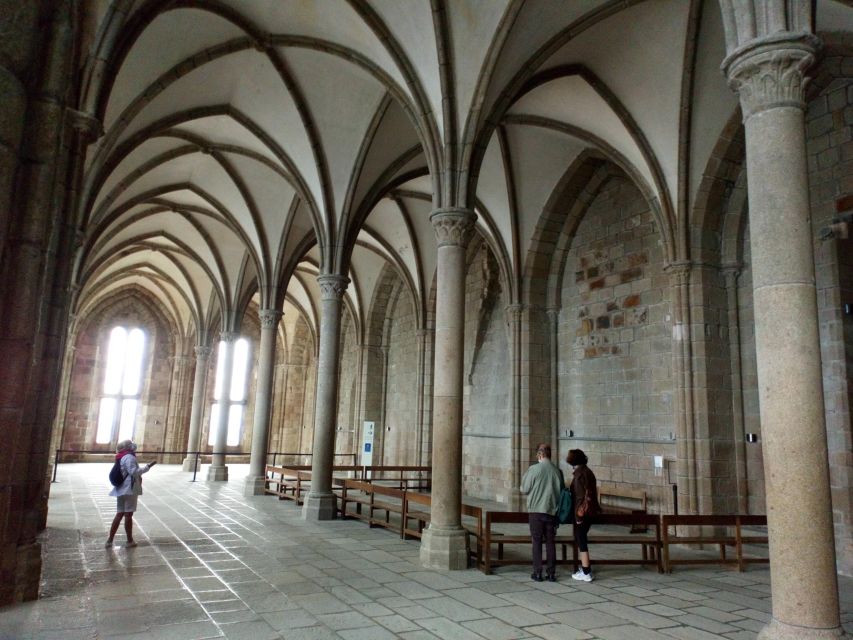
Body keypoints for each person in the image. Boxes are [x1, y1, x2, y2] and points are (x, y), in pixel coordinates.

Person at [520, 443, 564, 582]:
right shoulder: (558, 471)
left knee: (537, 541)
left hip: (536, 512)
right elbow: (562, 491)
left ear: (540, 454)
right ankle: (551, 573)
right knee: (550, 542)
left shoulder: (534, 469)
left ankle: (537, 572)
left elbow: (525, 489)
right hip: (551, 511)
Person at [106, 439, 156, 548]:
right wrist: (147, 467)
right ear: (127, 447)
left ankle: (110, 540)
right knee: (128, 514)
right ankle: (129, 540)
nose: (133, 445)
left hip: (122, 488)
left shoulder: (121, 456)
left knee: (120, 513)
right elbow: (134, 472)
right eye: (130, 444)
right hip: (129, 489)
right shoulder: (129, 457)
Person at [567, 448, 600, 582]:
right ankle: (585, 568)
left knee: (581, 541)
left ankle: (586, 572)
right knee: (581, 540)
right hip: (591, 511)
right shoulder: (588, 471)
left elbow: (581, 498)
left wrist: (578, 517)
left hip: (582, 513)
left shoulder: (580, 475)